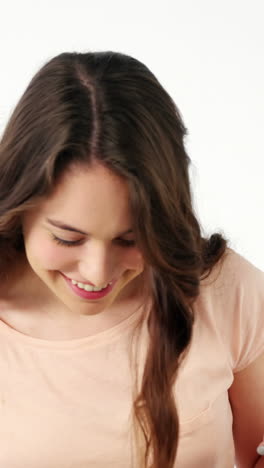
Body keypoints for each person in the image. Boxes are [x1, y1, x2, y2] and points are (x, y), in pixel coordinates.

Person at [0, 51, 263, 468]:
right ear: (19, 205)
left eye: (131, 238)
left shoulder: (227, 292)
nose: (97, 272)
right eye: (68, 238)